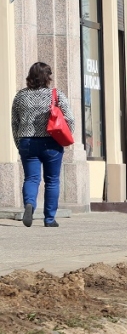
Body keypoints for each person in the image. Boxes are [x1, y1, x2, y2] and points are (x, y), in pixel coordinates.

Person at [11, 62, 74, 228]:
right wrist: (66, 138)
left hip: (27, 142)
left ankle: (29, 204)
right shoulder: (56, 94)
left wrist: (19, 143)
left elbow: (15, 122)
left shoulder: (20, 96)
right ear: (48, 77)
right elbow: (69, 119)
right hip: (51, 142)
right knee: (52, 181)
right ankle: (49, 219)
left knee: (31, 178)